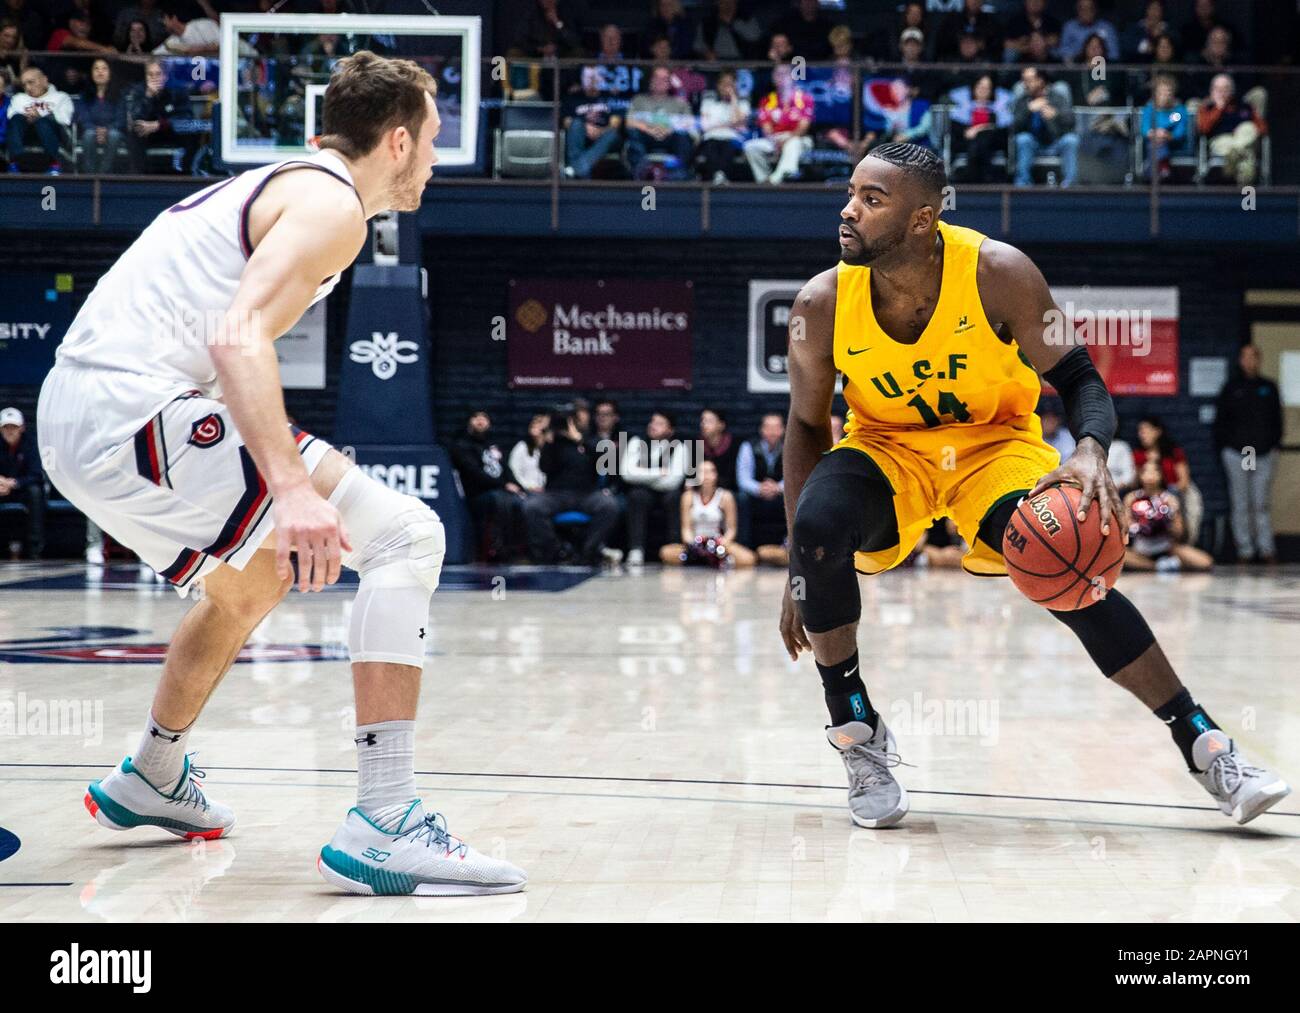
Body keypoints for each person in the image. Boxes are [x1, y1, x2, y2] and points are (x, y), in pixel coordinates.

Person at [37, 51, 526, 895]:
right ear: (400, 142)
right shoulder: (332, 200)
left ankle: (154, 771)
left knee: (248, 584)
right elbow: (238, 336)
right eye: (437, 140)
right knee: (408, 533)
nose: (439, 160)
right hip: (132, 407)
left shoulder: (295, 185)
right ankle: (388, 818)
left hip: (80, 418)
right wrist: (293, 488)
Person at [779, 142, 1289, 830]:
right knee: (816, 530)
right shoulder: (821, 302)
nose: (848, 211)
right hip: (886, 449)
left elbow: (1080, 377)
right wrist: (798, 567)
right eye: (851, 193)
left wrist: (1088, 452)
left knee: (1067, 560)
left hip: (995, 448)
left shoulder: (998, 272)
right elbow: (807, 428)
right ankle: (857, 733)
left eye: (872, 200)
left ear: (923, 220)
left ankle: (1203, 741)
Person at [522, 406, 621, 565]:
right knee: (532, 507)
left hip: (586, 494)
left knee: (610, 506)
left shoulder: (591, 440)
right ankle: (559, 551)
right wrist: (548, 442)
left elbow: (606, 462)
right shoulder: (553, 443)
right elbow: (544, 467)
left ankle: (588, 551)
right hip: (556, 494)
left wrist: (579, 439)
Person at [1215, 343, 1282, 564]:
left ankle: (1266, 549)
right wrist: (1227, 446)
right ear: (1240, 360)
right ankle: (1244, 549)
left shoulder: (1268, 387)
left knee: (1260, 503)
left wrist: (1273, 445)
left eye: (1253, 356)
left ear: (1258, 359)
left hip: (1262, 454)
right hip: (1238, 453)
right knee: (1240, 502)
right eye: (1245, 357)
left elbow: (1277, 420)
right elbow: (1221, 422)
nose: (1249, 361)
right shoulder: (1232, 388)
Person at [450, 410, 526, 563]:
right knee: (499, 500)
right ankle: (495, 550)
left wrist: (518, 486)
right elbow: (474, 473)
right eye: (476, 417)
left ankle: (518, 550)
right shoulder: (461, 445)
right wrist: (504, 485)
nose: (480, 420)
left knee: (522, 502)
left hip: (499, 491)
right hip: (477, 494)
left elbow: (506, 469)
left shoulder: (493, 445)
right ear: (469, 421)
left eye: (484, 417)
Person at [621, 410, 689, 566]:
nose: (653, 426)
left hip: (667, 492)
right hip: (643, 492)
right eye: (652, 422)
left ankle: (673, 548)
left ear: (670, 430)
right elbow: (627, 473)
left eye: (659, 424)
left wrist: (642, 476)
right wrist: (659, 473)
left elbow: (673, 481)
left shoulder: (679, 447)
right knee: (637, 495)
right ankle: (636, 549)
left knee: (674, 496)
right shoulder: (636, 442)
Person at [659, 459, 756, 568]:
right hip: (695, 543)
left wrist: (721, 542)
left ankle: (712, 559)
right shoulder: (688, 497)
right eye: (703, 472)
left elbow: (731, 530)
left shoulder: (725, 496)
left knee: (749, 559)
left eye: (710, 471)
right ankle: (702, 559)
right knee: (666, 552)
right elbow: (686, 530)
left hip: (718, 543)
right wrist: (694, 544)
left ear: (716, 475)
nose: (707, 476)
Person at [1123, 458, 1213, 572]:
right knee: (1123, 556)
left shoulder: (1169, 499)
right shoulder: (1131, 498)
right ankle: (1157, 566)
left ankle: (1162, 563)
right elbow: (1125, 528)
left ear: (1160, 475)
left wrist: (1165, 523)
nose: (1150, 475)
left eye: (1154, 471)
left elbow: (1179, 532)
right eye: (1147, 471)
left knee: (1205, 562)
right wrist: (1141, 525)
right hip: (1141, 550)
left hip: (1166, 548)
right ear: (1141, 475)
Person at [744, 63, 812, 185]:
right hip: (775, 139)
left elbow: (803, 127)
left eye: (785, 74)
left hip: (799, 139)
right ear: (773, 78)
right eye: (777, 74)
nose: (781, 77)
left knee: (793, 143)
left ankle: (778, 178)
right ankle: (764, 181)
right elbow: (766, 127)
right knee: (750, 147)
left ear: (793, 77)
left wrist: (787, 139)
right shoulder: (768, 100)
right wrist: (775, 141)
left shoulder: (804, 98)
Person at [625, 65, 696, 179]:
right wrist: (649, 129)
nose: (659, 82)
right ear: (650, 80)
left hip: (671, 138)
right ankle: (642, 173)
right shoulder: (639, 100)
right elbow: (629, 122)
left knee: (683, 136)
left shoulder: (679, 103)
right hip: (646, 137)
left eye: (664, 79)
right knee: (634, 133)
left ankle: (679, 175)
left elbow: (690, 123)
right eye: (656, 78)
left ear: (669, 83)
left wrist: (670, 129)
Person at [1012, 66, 1078, 187]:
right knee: (1023, 139)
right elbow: (1014, 126)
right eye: (1024, 80)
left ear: (1040, 81)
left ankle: (1070, 184)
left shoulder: (1057, 97)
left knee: (1071, 140)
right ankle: (1023, 184)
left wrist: (1055, 114)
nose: (1025, 84)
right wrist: (1029, 110)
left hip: (1055, 141)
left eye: (1029, 80)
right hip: (1033, 143)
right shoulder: (1023, 100)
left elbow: (1071, 121)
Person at [1197, 73, 1265, 186]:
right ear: (1211, 91)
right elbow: (1203, 129)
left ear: (1232, 90)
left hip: (1243, 139)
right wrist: (1218, 108)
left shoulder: (1244, 106)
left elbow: (1262, 129)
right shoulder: (1207, 108)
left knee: (1248, 128)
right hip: (1222, 141)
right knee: (1247, 155)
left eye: (1225, 88)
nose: (1222, 92)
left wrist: (1242, 131)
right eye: (1217, 89)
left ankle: (1235, 154)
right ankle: (1245, 191)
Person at [6, 66, 73, 174]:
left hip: (54, 133)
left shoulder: (61, 97)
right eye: (24, 85)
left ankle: (54, 164)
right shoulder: (19, 98)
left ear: (44, 80)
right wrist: (29, 118)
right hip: (27, 132)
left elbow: (65, 120)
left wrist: (40, 116)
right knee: (16, 119)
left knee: (42, 121)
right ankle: (15, 163)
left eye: (31, 82)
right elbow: (11, 117)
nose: (28, 88)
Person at [947, 73, 1010, 184]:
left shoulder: (998, 109)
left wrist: (978, 129)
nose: (983, 90)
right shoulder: (962, 107)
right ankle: (986, 178)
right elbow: (958, 131)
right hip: (966, 143)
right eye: (981, 86)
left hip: (991, 143)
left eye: (987, 88)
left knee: (982, 139)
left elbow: (999, 130)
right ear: (974, 88)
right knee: (978, 143)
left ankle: (970, 177)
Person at [562, 65, 622, 179]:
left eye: (596, 77)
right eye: (589, 78)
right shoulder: (573, 97)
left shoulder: (610, 97)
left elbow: (616, 123)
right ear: (582, 79)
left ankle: (574, 169)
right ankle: (581, 170)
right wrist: (586, 128)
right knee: (575, 124)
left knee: (612, 134)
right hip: (580, 136)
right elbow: (566, 122)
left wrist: (600, 131)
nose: (593, 81)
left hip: (605, 137)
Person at [737, 411, 786, 549]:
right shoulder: (748, 446)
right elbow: (743, 479)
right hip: (755, 495)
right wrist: (760, 488)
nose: (772, 432)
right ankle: (745, 546)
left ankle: (790, 546)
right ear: (761, 429)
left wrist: (777, 488)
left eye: (776, 427)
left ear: (783, 430)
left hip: (781, 493)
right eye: (768, 427)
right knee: (741, 498)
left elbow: (795, 476)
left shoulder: (790, 447)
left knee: (797, 497)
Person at [0, 406, 44, 559]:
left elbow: (37, 474)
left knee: (35, 492)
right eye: (6, 427)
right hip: (1, 489)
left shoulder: (31, 444)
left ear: (22, 428)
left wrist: (15, 483)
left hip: (23, 488)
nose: (10, 431)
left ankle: (34, 548)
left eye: (14, 427)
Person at [696, 69, 750, 184]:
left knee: (727, 146)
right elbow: (705, 126)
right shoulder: (709, 102)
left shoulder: (743, 104)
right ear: (718, 85)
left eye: (730, 84)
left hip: (733, 138)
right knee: (711, 146)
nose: (727, 87)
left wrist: (734, 99)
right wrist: (729, 124)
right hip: (711, 137)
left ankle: (721, 175)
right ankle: (717, 175)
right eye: (724, 84)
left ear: (736, 85)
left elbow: (739, 122)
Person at [78, 56, 126, 174]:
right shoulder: (85, 94)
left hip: (113, 131)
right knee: (89, 134)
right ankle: (90, 174)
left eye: (104, 68)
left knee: (114, 135)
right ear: (91, 73)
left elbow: (120, 119)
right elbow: (84, 118)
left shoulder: (119, 95)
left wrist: (106, 130)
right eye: (96, 68)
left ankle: (105, 173)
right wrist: (96, 130)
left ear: (110, 73)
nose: (100, 72)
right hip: (92, 131)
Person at [1140, 74, 1188, 180]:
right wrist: (1156, 133)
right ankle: (1163, 168)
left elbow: (1180, 132)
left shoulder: (1180, 110)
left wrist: (1166, 135)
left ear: (1173, 93)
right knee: (1156, 143)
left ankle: (1152, 177)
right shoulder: (1149, 108)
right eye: (1161, 92)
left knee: (1158, 143)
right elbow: (1144, 129)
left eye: (1168, 91)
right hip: (1153, 141)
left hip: (1174, 144)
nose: (1165, 95)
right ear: (1155, 93)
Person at [509, 411, 550, 494]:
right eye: (534, 422)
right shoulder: (522, 447)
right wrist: (528, 487)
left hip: (546, 492)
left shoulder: (550, 448)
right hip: (526, 491)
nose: (535, 424)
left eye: (539, 422)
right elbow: (514, 471)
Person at [699, 407, 739, 490]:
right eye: (702, 420)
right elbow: (691, 477)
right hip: (701, 490)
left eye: (709, 421)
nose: (704, 424)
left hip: (726, 490)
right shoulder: (693, 444)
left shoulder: (734, 445)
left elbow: (733, 477)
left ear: (721, 425)